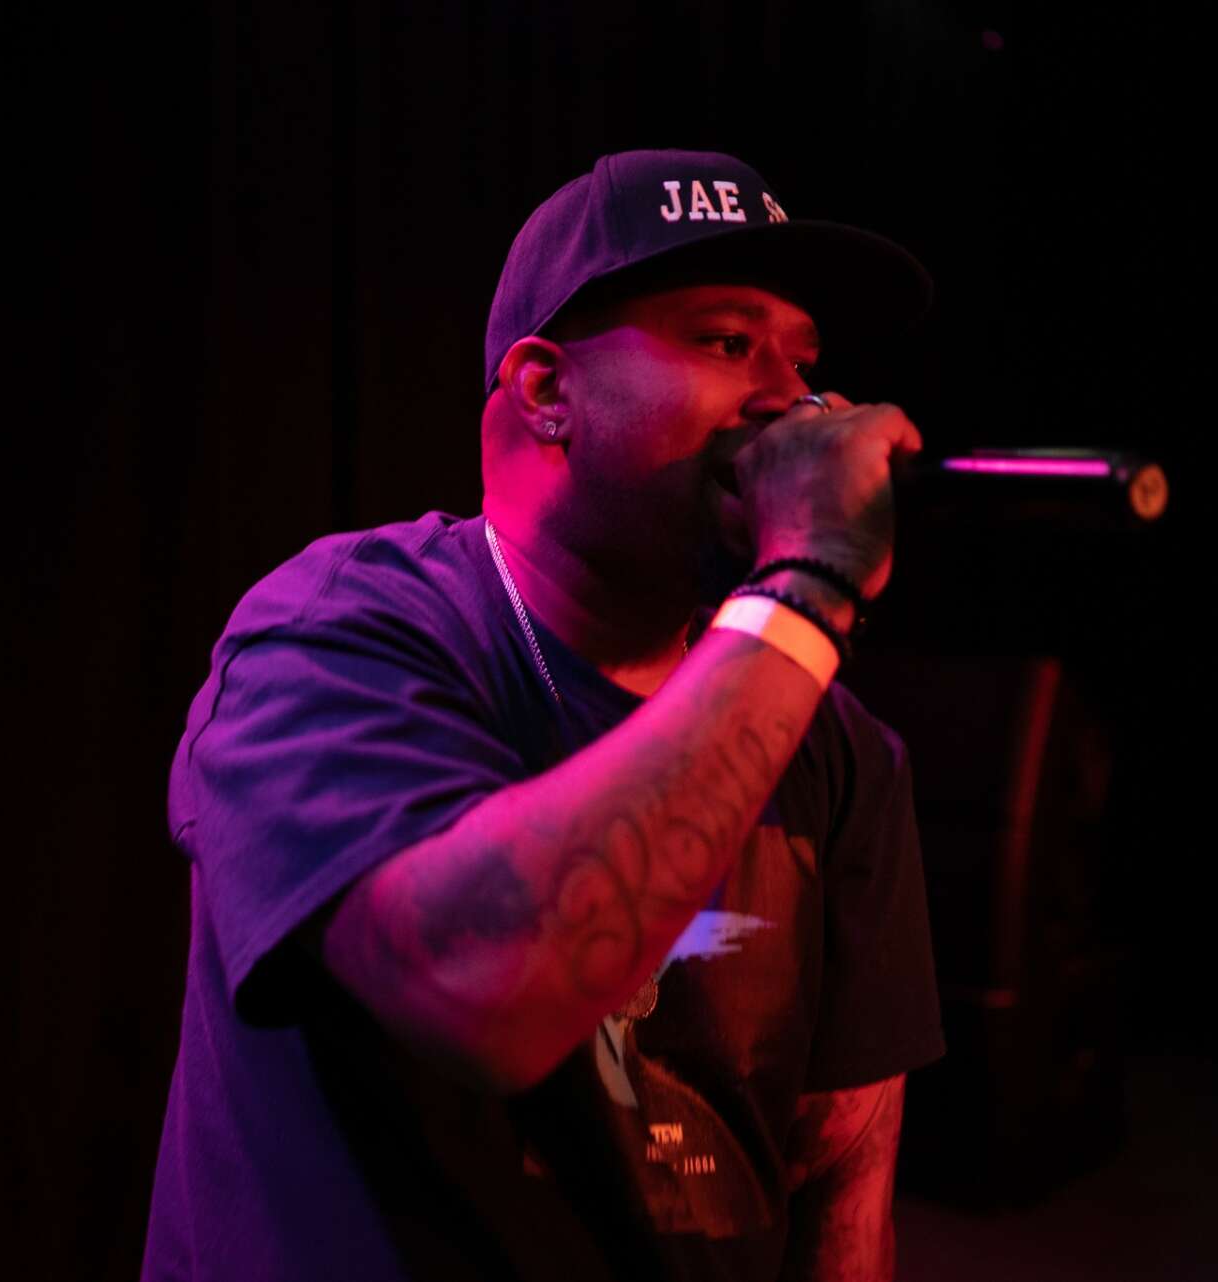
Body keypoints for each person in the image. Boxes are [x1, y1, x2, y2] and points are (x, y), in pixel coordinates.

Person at [141, 149, 944, 1282]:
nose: (795, 401)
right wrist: (807, 584)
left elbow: (844, 1177)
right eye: (728, 342)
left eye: (804, 361)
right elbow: (483, 986)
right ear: (546, 391)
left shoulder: (839, 743)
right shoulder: (332, 638)